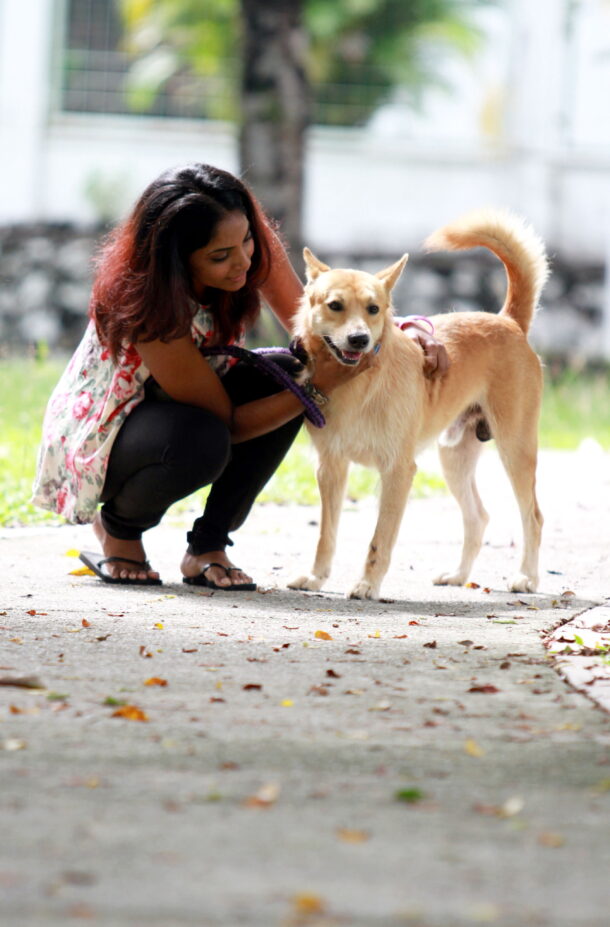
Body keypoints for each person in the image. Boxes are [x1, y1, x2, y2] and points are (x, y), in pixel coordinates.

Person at [32, 163, 448, 589]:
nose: (243, 262)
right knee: (206, 437)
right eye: (220, 256)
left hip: (186, 408)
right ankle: (120, 529)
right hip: (112, 434)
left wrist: (403, 330)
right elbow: (227, 423)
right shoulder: (148, 306)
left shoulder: (244, 247)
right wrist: (316, 388)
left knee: (284, 370)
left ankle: (208, 546)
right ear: (176, 260)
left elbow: (314, 322)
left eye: (247, 241)